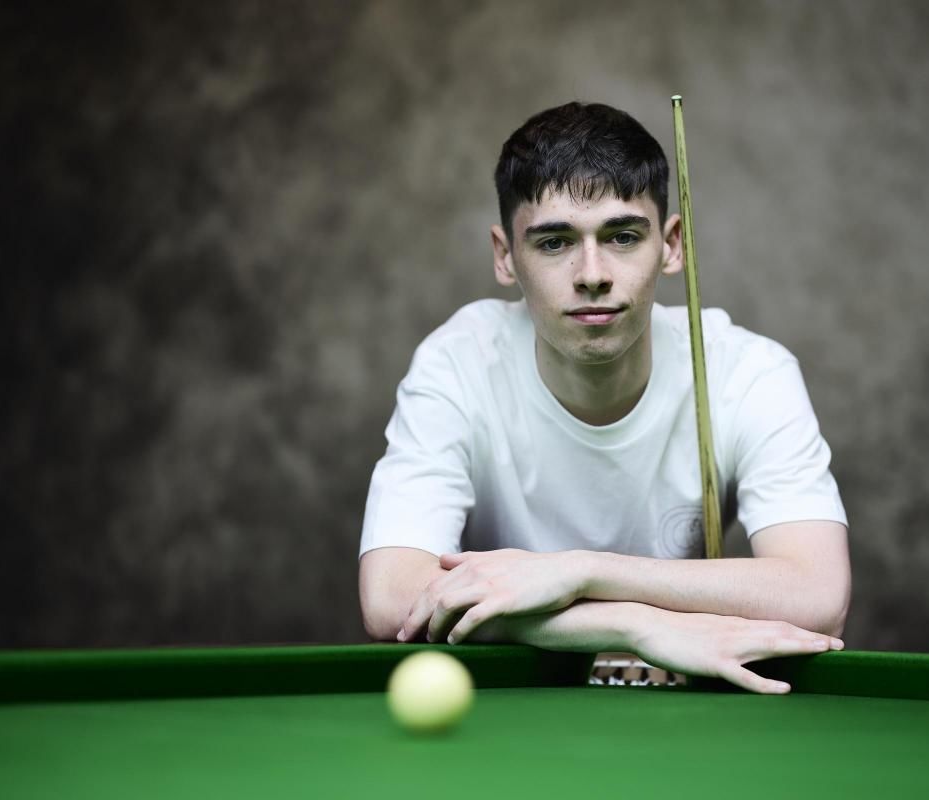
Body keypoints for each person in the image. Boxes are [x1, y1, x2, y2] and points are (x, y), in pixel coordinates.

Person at [358, 101, 851, 693]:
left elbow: (818, 594)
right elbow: (390, 595)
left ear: (672, 245)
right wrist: (635, 626)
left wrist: (581, 571)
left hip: (689, 722)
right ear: (505, 256)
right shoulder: (459, 362)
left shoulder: (749, 371)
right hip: (509, 719)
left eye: (622, 236)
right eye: (554, 242)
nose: (592, 273)